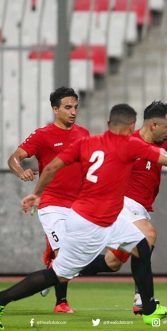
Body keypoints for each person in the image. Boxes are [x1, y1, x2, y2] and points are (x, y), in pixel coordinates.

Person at [0, 103, 167, 329]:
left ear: (109, 124)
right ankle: (2, 299)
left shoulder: (86, 143)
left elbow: (50, 168)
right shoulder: (130, 145)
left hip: (94, 214)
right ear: (132, 126)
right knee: (59, 274)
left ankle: (148, 308)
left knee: (139, 247)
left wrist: (36, 194)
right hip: (94, 221)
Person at [78, 101, 167, 315]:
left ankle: (60, 270)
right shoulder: (128, 142)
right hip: (121, 202)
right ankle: (143, 300)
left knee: (112, 262)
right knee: (148, 235)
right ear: (153, 125)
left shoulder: (166, 142)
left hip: (140, 207)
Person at [7, 87, 89, 313]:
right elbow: (14, 157)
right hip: (52, 203)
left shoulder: (84, 133)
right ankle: (61, 302)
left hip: (79, 205)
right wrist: (20, 170)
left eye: (75, 107)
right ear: (55, 109)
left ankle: (49, 273)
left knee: (73, 258)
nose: (73, 112)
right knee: (64, 254)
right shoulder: (43, 135)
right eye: (67, 107)